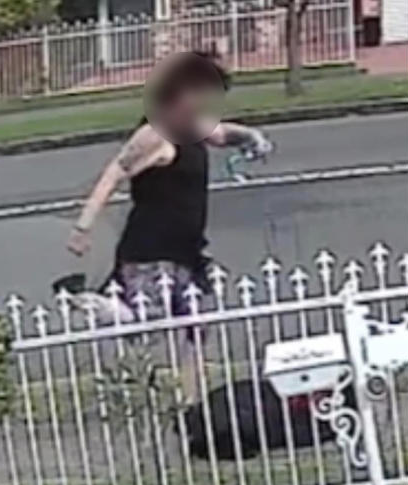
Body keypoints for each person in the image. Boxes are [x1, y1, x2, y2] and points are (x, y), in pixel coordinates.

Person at [66, 51, 272, 401]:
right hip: (151, 251)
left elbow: (223, 134)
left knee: (196, 327)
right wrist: (84, 226)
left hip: (187, 252)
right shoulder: (154, 135)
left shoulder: (193, 129)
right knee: (147, 324)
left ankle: (193, 404)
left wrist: (251, 138)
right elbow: (113, 173)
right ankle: (94, 305)